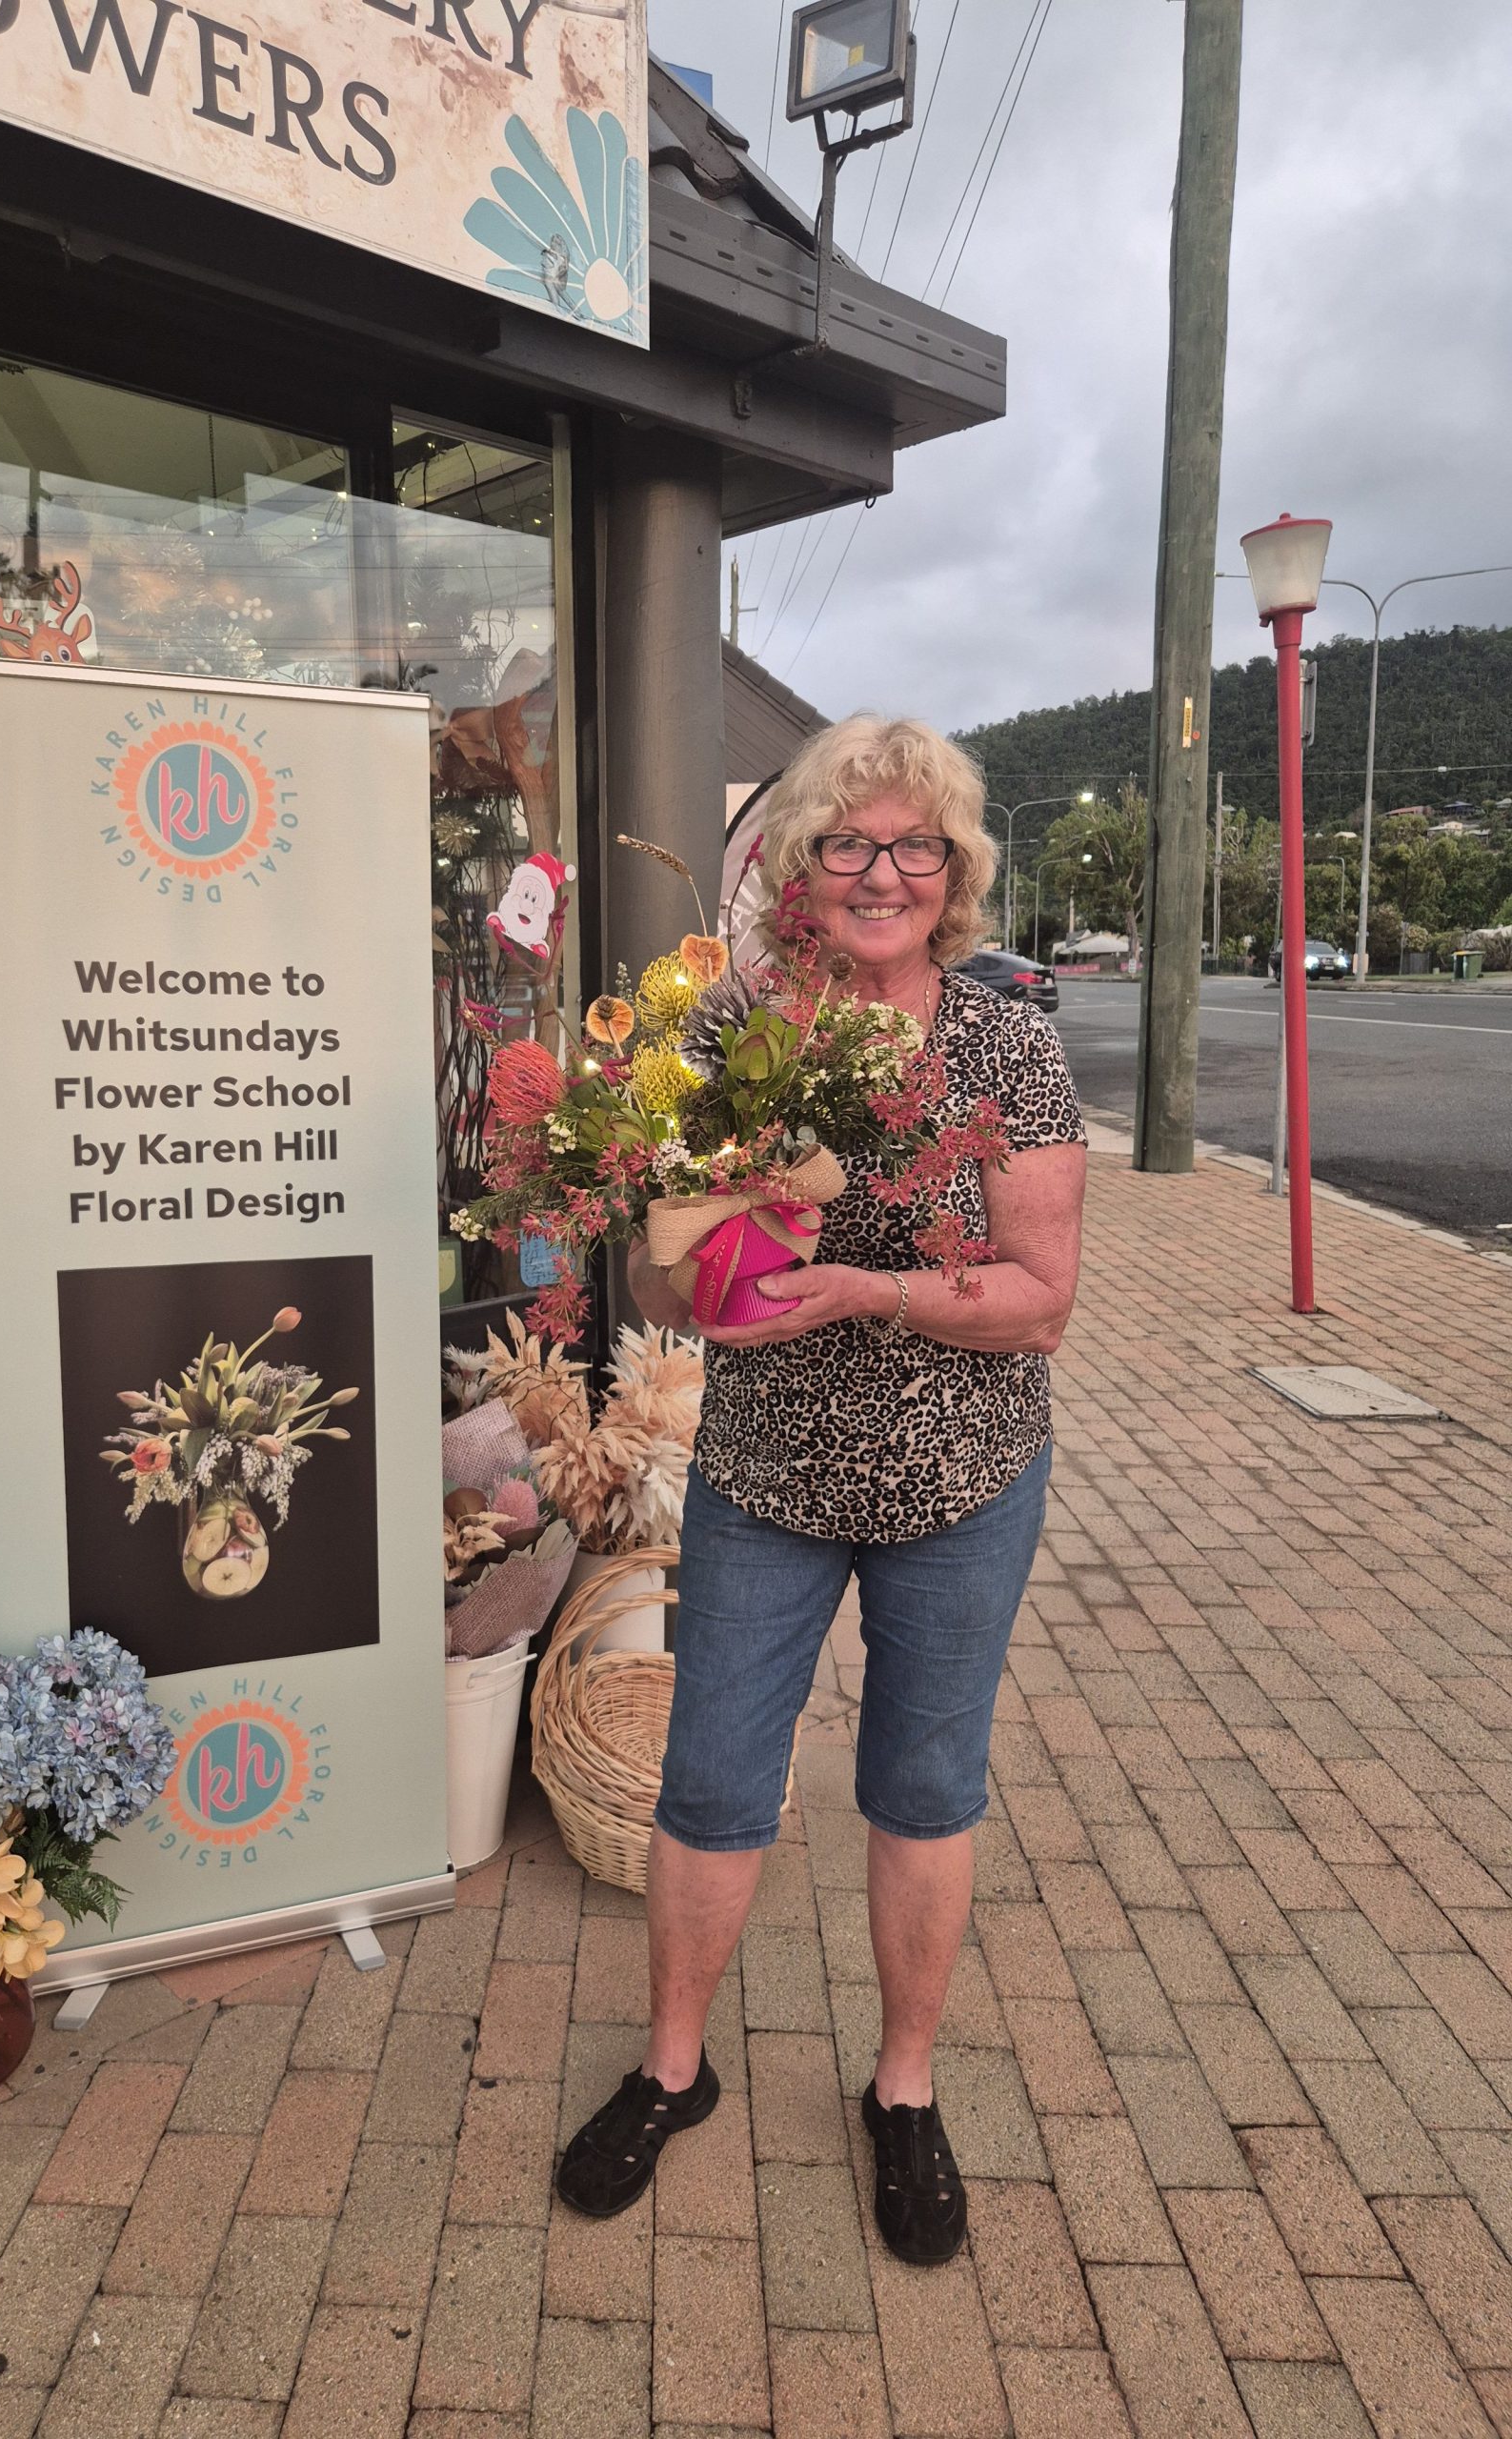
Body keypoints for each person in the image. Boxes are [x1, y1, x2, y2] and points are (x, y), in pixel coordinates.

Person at [554, 715, 1087, 2263]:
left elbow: (1040, 1299)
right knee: (714, 1784)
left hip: (961, 1480)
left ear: (956, 873)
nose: (880, 872)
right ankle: (674, 2066)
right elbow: (668, 1284)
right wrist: (689, 1282)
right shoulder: (730, 1036)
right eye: (848, 842)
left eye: (914, 845)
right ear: (797, 863)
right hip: (769, 1476)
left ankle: (903, 2092)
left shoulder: (1004, 1044)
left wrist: (865, 1290)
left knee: (922, 1792)